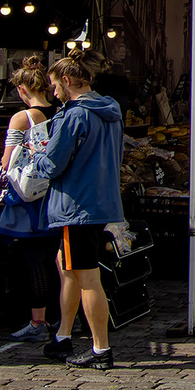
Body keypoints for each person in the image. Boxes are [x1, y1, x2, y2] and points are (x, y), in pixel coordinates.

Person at [32, 57, 124, 369]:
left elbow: (53, 163)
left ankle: (101, 348)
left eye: (55, 85)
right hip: (98, 200)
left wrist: (34, 157)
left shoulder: (74, 116)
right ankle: (63, 336)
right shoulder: (109, 109)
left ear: (68, 82)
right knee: (68, 266)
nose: (53, 92)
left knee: (86, 276)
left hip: (77, 205)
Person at [0, 55, 60, 343]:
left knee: (35, 262)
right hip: (58, 194)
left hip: (31, 199)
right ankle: (66, 318)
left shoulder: (22, 118)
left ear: (22, 90)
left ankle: (38, 322)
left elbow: (8, 161)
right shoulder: (63, 110)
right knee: (60, 261)